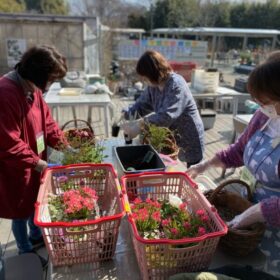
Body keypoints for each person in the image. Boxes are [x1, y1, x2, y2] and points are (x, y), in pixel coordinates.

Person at [187, 57, 280, 277]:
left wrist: (258, 212)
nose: (261, 106)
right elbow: (238, 151)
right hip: (248, 209)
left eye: (266, 100)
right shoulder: (264, 117)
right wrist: (204, 165)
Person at [0, 45, 69, 268]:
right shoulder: (6, 93)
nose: (51, 84)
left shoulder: (34, 90)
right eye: (51, 78)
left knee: (34, 200)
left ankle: (35, 234)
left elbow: (47, 124)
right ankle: (24, 249)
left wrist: (66, 146)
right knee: (18, 208)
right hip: (14, 166)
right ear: (38, 75)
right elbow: (8, 142)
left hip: (33, 160)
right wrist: (39, 163)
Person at [122, 50, 204, 167]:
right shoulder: (154, 86)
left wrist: (140, 125)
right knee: (171, 165)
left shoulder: (176, 84)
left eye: (146, 77)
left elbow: (166, 116)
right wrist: (125, 115)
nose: (145, 80)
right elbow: (142, 105)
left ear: (154, 72)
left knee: (191, 172)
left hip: (189, 135)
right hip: (171, 137)